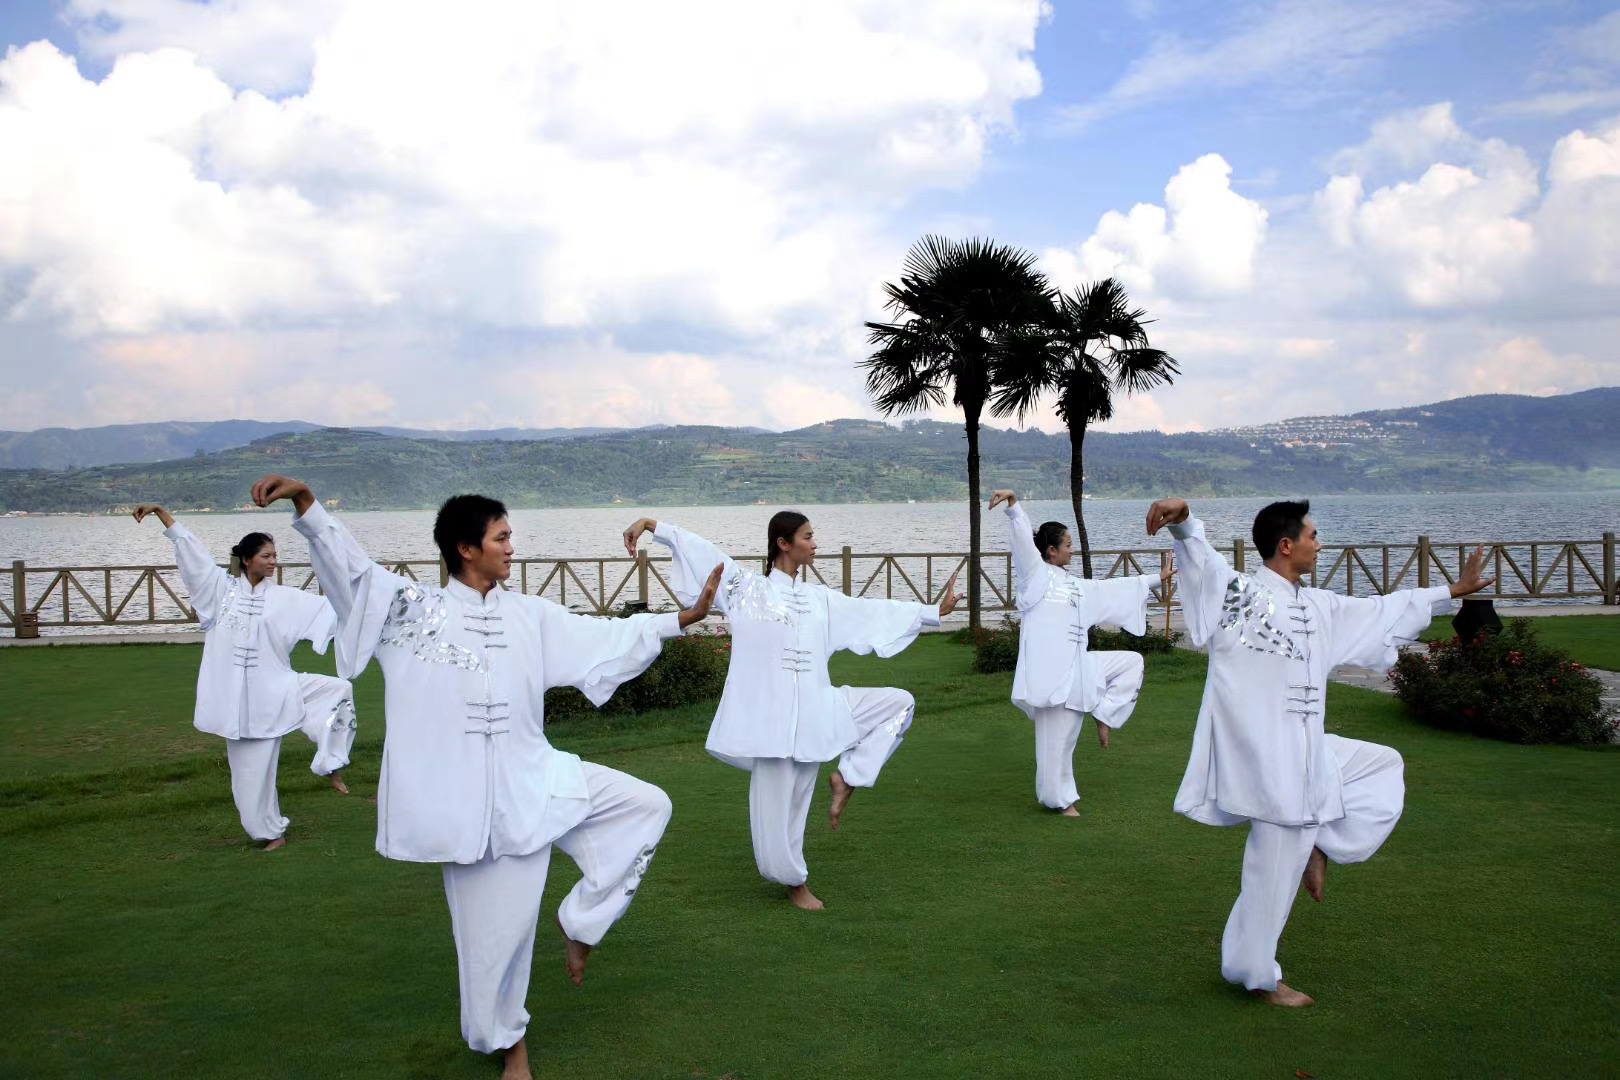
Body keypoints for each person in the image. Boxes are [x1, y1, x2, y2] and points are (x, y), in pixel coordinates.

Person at [251, 475, 720, 1080]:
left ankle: (582, 922)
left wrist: (683, 618)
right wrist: (306, 503)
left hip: (535, 777)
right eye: (502, 537)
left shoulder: (529, 615)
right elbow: (354, 573)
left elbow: (605, 635)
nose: (511, 546)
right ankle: (508, 1045)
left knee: (645, 804)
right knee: (494, 940)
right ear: (466, 549)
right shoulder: (412, 612)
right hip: (464, 803)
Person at [1146, 496, 1492, 1006]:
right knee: (1270, 876)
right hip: (1267, 760)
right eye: (1312, 536)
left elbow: (1384, 609)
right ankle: (1256, 974)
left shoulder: (1318, 605)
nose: (1319, 543)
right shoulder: (1241, 594)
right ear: (1286, 546)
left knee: (1380, 765)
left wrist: (1452, 592)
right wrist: (1185, 520)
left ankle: (1323, 841)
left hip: (1307, 751)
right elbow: (1205, 563)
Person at [622, 511, 961, 911]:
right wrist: (652, 526)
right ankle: (794, 882)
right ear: (784, 543)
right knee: (781, 811)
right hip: (772, 724)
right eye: (808, 536)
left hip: (819, 709)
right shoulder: (746, 589)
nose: (815, 543)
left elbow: (872, 611)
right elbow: (702, 552)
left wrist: (933, 612)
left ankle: (849, 777)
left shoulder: (820, 601)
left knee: (899, 704)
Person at [133, 504, 355, 851]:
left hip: (277, 689)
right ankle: (270, 833)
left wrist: (368, 592)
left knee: (339, 690)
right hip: (237, 705)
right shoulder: (219, 594)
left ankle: (331, 763)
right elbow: (194, 556)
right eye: (266, 555)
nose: (273, 561)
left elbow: (338, 610)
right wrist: (163, 515)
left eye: (275, 555)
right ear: (248, 559)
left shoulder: (287, 599)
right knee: (250, 777)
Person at [988, 489, 1171, 816]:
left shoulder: (1074, 586)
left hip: (1079, 669)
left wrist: (1156, 579)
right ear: (1051, 550)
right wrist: (1014, 507)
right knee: (1057, 744)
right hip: (1049, 676)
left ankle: (1104, 713)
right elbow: (1022, 546)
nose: (1073, 549)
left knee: (1131, 663)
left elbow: (1110, 589)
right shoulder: (1035, 576)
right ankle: (1058, 800)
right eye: (1068, 545)